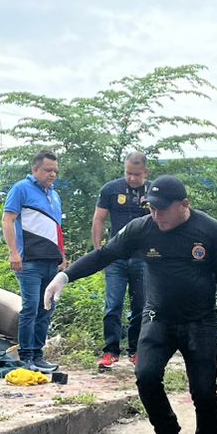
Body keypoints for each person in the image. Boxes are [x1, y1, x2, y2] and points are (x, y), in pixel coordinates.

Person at [44, 176, 217, 434]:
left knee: (203, 391)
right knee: (146, 376)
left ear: (184, 206)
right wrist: (65, 277)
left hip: (199, 322)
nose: (156, 215)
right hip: (157, 318)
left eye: (162, 209)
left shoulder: (210, 230)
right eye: (151, 208)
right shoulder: (142, 228)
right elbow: (104, 255)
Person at [1, 150, 65, 372]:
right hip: (29, 261)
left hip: (51, 262)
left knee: (47, 308)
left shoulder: (55, 195)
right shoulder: (21, 189)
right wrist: (13, 252)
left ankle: (38, 355)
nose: (52, 174)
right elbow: (8, 220)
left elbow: (57, 229)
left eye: (55, 171)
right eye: (48, 170)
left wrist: (62, 256)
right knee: (30, 308)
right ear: (35, 169)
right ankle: (25, 356)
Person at [91, 151, 150, 369]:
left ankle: (136, 351)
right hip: (115, 257)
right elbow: (99, 218)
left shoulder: (153, 191)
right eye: (128, 173)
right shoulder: (110, 189)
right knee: (112, 305)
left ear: (146, 172)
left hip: (144, 259)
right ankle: (110, 351)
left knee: (141, 306)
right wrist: (98, 250)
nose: (132, 178)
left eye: (137, 174)